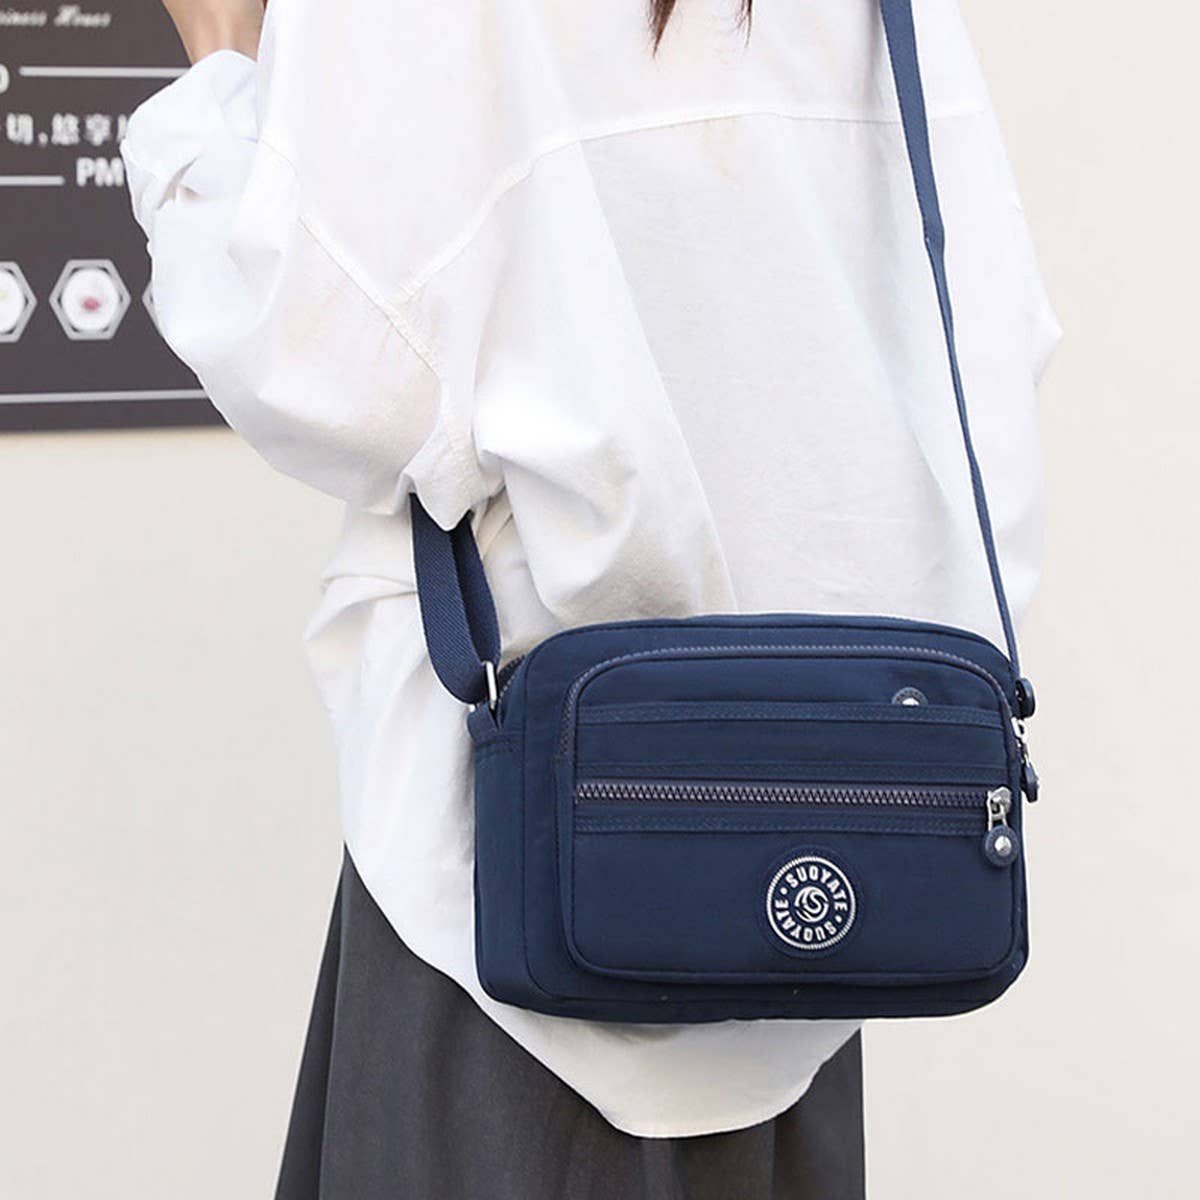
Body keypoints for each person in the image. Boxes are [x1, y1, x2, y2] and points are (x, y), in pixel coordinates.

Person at [125, 1, 1059, 1196]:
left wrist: (219, 61)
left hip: (509, 916)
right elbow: (989, 364)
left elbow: (319, 360)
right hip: (822, 916)